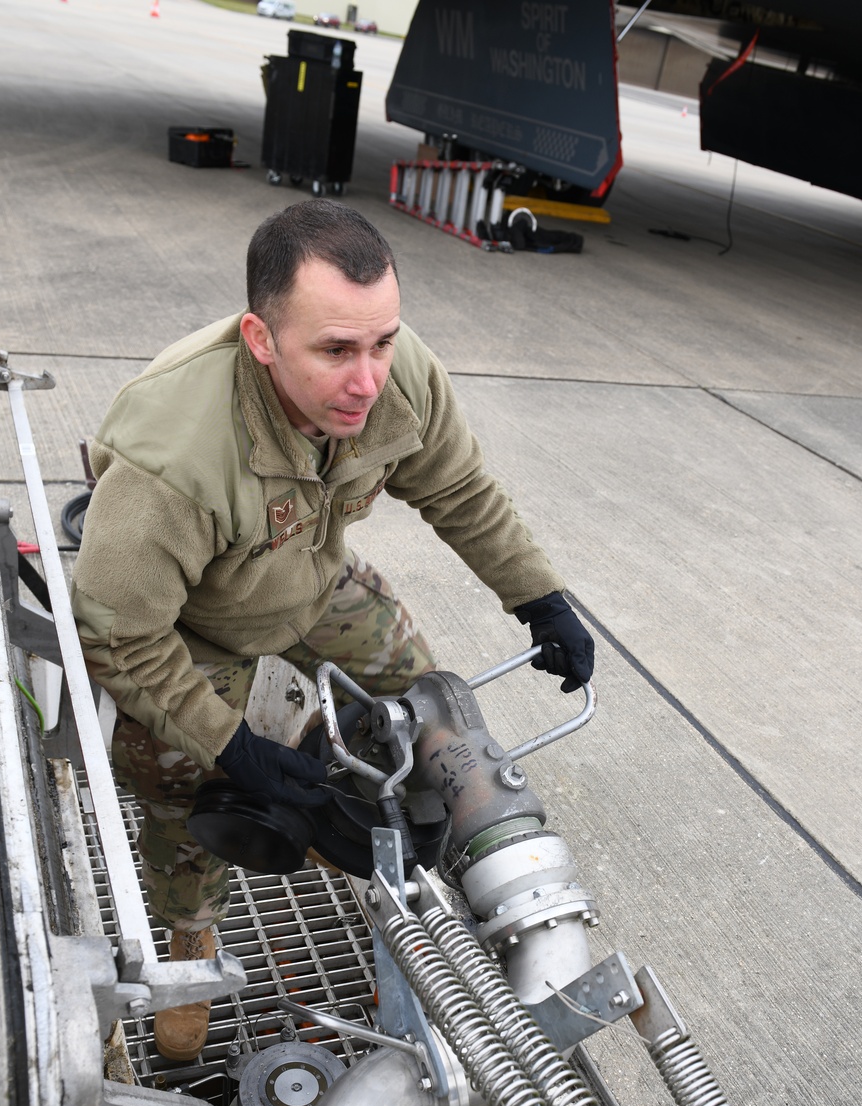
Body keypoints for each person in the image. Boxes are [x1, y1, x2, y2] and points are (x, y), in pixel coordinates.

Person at [72, 200, 594, 1062]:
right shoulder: (175, 456)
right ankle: (188, 936)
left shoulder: (397, 376)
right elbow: (121, 637)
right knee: (180, 776)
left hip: (310, 579)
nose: (369, 379)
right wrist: (233, 744)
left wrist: (539, 597)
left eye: (382, 341)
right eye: (337, 351)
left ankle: (383, 841)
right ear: (261, 338)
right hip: (193, 628)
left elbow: (458, 491)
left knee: (426, 705)